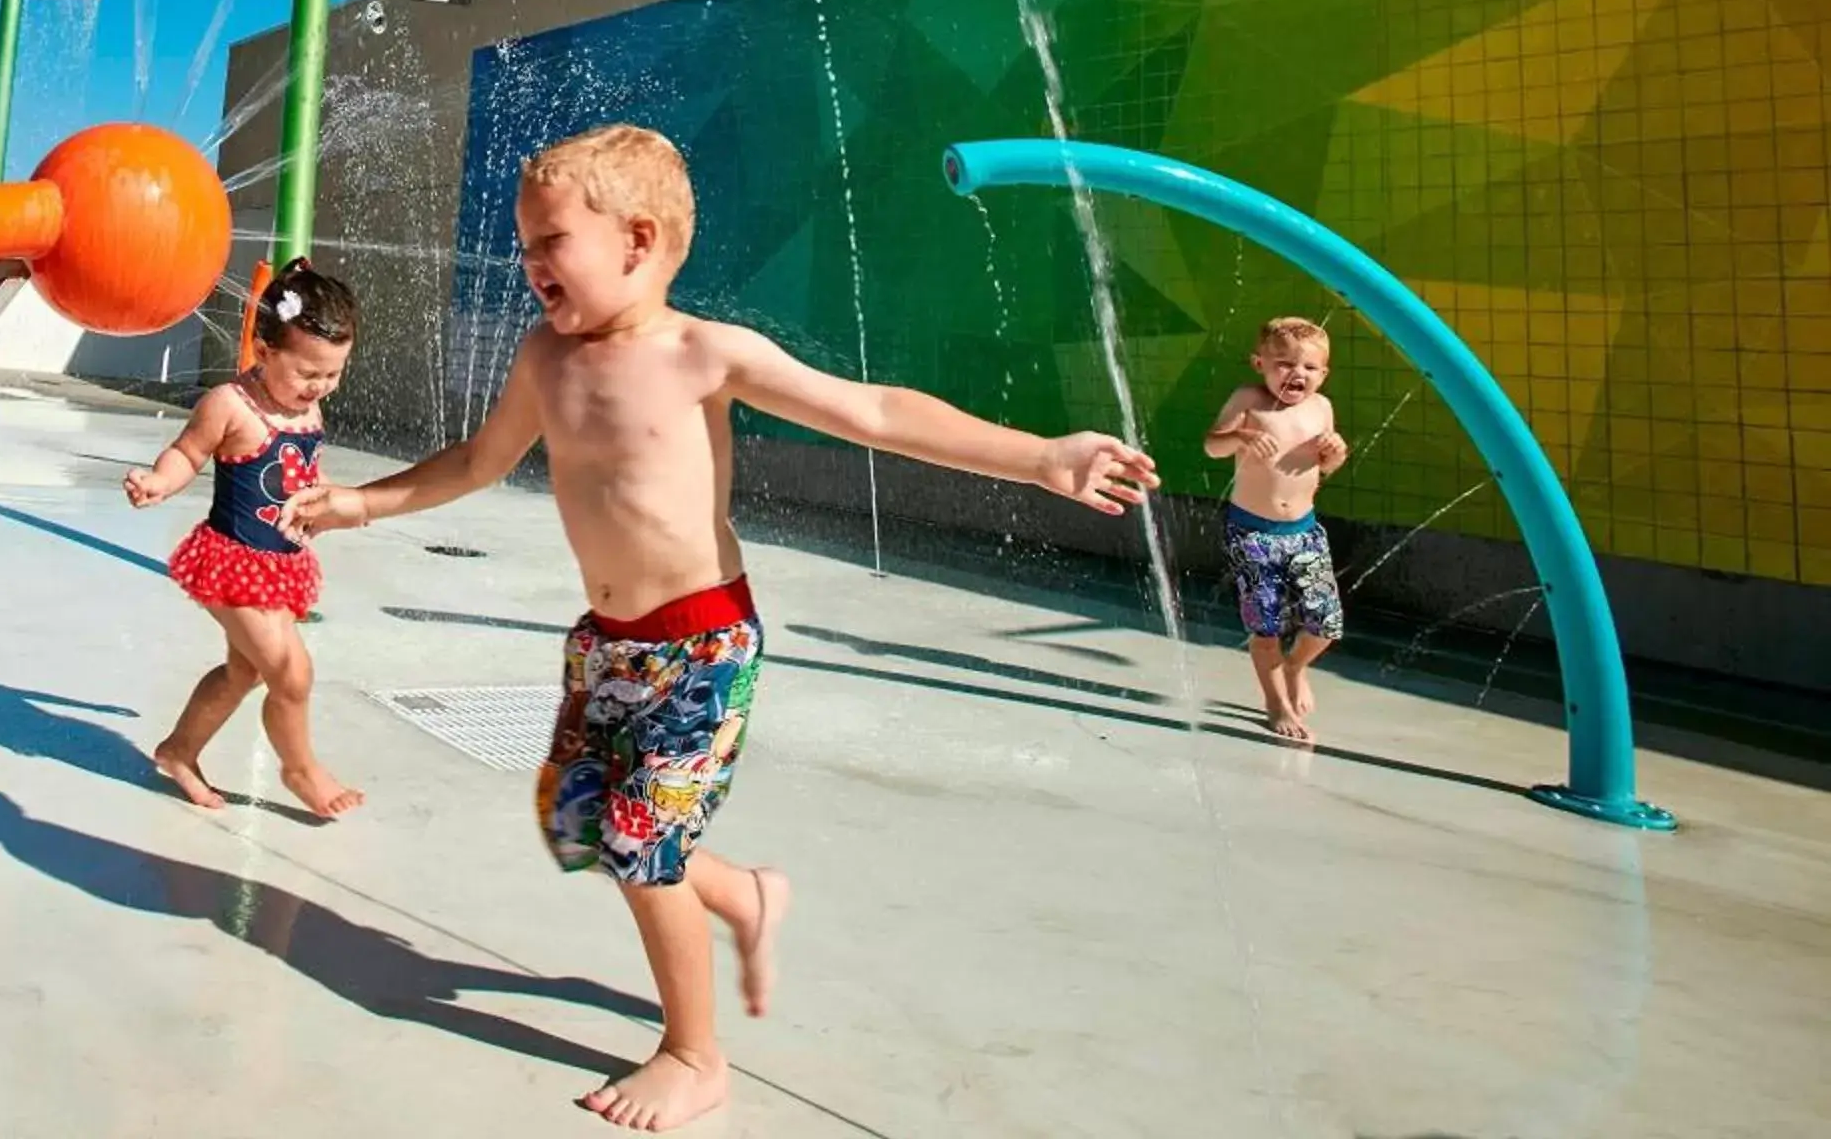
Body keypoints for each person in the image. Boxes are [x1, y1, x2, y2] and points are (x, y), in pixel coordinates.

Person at [288, 125, 1158, 1130]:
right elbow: (479, 460)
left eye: (551, 241)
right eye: (525, 243)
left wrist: (1041, 455)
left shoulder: (704, 353)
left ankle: (694, 1054)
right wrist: (360, 503)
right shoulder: (543, 355)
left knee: (636, 838)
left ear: (640, 239)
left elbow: (873, 410)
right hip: (607, 640)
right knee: (577, 820)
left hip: (702, 641)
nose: (529, 264)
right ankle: (742, 893)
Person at [126, 258, 366, 819]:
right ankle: (300, 769)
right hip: (231, 564)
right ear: (264, 350)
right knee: (292, 672)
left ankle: (179, 752)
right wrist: (160, 480)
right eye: (309, 373)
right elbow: (187, 452)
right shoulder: (230, 405)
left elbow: (304, 470)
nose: (320, 386)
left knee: (246, 671)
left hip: (279, 563)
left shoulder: (307, 408)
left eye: (333, 374)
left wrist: (332, 501)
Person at [1204, 316, 1350, 743]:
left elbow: (1326, 466)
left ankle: (1295, 667)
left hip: (1304, 531)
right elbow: (1213, 445)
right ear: (1259, 363)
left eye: (1308, 368)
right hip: (1251, 533)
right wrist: (1243, 436)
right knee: (1264, 626)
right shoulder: (1248, 400)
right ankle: (1275, 701)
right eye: (1284, 363)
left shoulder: (1321, 408)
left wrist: (1335, 453)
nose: (1296, 374)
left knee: (1326, 624)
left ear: (1323, 374)